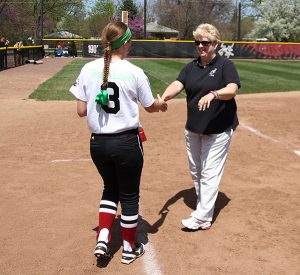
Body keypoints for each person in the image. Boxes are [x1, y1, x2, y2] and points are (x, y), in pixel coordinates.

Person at [69, 21, 167, 264]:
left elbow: (81, 111)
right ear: (124, 44)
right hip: (126, 143)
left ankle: (102, 237)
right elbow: (150, 107)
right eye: (130, 41)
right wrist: (161, 105)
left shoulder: (87, 69)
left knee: (110, 188)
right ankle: (128, 247)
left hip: (98, 145)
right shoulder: (134, 71)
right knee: (129, 195)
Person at [161, 23, 240, 230]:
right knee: (196, 170)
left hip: (219, 128)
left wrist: (214, 94)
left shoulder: (225, 66)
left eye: (205, 42)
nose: (200, 46)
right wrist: (164, 98)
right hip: (194, 128)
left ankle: (202, 216)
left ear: (215, 43)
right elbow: (178, 84)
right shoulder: (191, 67)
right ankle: (204, 204)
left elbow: (231, 89)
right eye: (197, 42)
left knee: (209, 171)